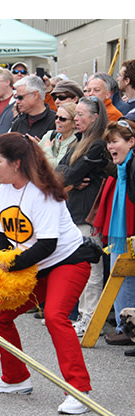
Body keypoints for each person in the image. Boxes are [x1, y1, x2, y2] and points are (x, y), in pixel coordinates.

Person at [0, 132, 98, 415]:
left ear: (16, 163)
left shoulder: (42, 192)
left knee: (55, 316)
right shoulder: (5, 189)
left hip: (67, 261)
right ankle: (16, 378)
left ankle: (79, 390)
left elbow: (48, 245)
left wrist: (10, 266)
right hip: (37, 264)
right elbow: (7, 236)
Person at [56, 97, 109, 336]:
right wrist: (71, 179)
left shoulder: (98, 145)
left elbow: (69, 175)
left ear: (94, 118)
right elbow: (59, 172)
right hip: (75, 210)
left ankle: (90, 319)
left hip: (90, 213)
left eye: (80, 114)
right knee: (77, 266)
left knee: (91, 269)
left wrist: (70, 178)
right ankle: (80, 315)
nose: (75, 119)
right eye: (75, 114)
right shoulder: (78, 141)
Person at [94, 120, 135, 348]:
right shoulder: (123, 167)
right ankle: (126, 328)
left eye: (115, 141)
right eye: (108, 142)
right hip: (123, 230)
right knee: (123, 275)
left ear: (131, 142)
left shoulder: (131, 166)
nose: (110, 147)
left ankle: (128, 329)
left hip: (130, 230)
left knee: (126, 277)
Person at [11, 75, 56, 139]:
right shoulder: (18, 122)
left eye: (20, 97)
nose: (17, 101)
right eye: (16, 97)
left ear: (35, 95)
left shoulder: (55, 121)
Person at [39, 103, 78, 169]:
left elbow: (56, 168)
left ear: (74, 123)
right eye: (56, 117)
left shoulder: (75, 142)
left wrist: (47, 148)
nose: (57, 121)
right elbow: (34, 157)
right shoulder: (51, 135)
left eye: (62, 119)